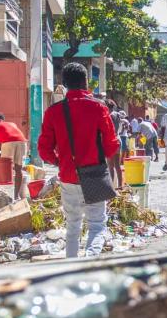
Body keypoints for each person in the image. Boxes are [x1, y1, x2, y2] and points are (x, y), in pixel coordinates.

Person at [37, 63, 120, 258]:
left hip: (68, 176)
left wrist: (59, 161)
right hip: (95, 176)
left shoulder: (53, 111)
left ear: (64, 84)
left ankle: (72, 267)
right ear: (85, 82)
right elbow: (112, 145)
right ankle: (89, 264)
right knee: (97, 226)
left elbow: (44, 149)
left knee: (72, 226)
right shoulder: (98, 108)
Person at [0, 113, 28, 199]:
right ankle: (16, 195)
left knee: (6, 169)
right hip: (23, 142)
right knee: (18, 169)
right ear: (3, 119)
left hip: (8, 143)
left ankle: (7, 195)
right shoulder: (12, 124)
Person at [105, 100, 124, 189]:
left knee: (110, 166)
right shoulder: (118, 114)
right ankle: (120, 186)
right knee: (117, 165)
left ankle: (112, 187)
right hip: (118, 139)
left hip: (111, 141)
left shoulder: (109, 116)